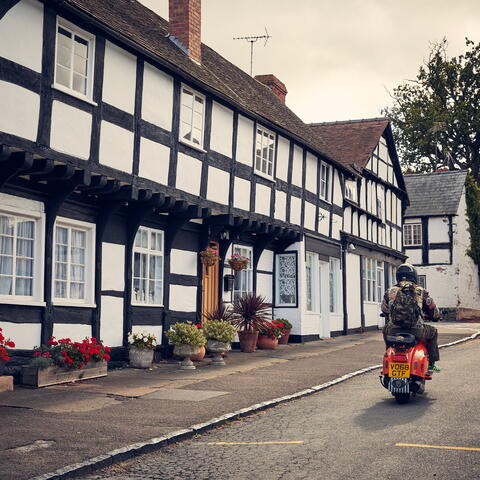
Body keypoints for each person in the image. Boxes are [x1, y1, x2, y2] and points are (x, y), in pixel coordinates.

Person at [381, 263, 440, 375]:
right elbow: (433, 311)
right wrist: (436, 317)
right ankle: (431, 364)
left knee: (385, 329)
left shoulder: (390, 291)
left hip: (394, 331)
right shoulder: (421, 291)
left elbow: (384, 309)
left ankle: (389, 355)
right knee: (433, 332)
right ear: (414, 276)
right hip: (416, 330)